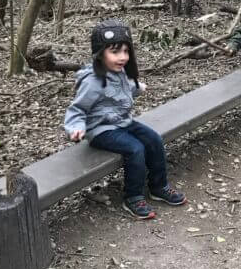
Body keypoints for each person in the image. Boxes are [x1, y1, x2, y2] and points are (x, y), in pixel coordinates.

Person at [64, 19, 186, 219]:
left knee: (154, 139)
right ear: (100, 53)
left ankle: (158, 186)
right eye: (115, 52)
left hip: (123, 122)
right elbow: (77, 109)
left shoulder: (118, 71)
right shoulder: (92, 81)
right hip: (101, 130)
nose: (122, 57)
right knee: (135, 148)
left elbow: (121, 90)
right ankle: (133, 196)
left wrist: (137, 88)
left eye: (126, 51)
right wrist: (75, 128)